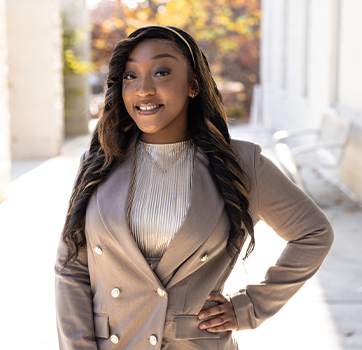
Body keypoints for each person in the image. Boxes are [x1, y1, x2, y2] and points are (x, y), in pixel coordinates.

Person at [55, 25, 333, 350]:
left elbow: (313, 234)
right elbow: (71, 267)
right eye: (130, 76)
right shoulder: (100, 160)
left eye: (161, 72)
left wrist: (249, 307)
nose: (143, 89)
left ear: (192, 84)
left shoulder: (242, 163)